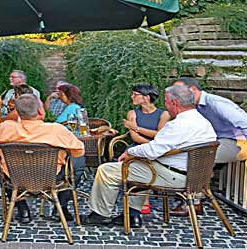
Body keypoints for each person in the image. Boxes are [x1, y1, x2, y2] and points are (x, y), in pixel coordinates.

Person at [82, 85, 217, 228]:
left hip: (175, 177)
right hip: (196, 177)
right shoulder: (204, 122)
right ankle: (132, 215)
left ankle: (100, 214)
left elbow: (153, 150)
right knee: (141, 165)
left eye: (166, 101)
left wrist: (130, 152)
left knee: (106, 170)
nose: (165, 104)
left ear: (174, 103)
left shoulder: (178, 125)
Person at [170, 77, 247, 216]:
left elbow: (246, 124)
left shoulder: (217, 103)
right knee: (191, 152)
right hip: (220, 140)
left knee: (201, 157)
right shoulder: (193, 107)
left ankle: (194, 202)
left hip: (240, 142)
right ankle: (191, 194)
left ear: (193, 90)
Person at [0, 94, 85, 223]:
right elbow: (79, 151)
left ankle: (22, 208)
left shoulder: (3, 129)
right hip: (51, 178)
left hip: (16, 179)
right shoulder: (57, 130)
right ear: (39, 111)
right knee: (79, 161)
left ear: (18, 113)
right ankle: (61, 206)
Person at [121, 84, 170, 214]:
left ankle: (142, 198)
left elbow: (159, 134)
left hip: (156, 149)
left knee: (148, 160)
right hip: (139, 147)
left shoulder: (164, 114)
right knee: (139, 160)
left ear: (146, 97)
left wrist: (135, 127)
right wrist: (152, 144)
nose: (132, 96)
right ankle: (142, 199)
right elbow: (135, 137)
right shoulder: (132, 113)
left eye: (135, 94)